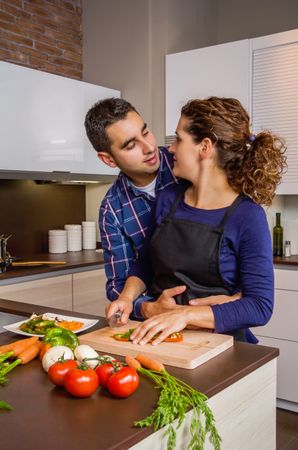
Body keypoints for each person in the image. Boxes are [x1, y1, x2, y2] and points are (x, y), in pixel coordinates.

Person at [106, 96, 287, 344]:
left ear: (204, 148)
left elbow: (259, 306)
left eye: (178, 139)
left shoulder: (248, 216)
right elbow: (145, 264)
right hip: (160, 339)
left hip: (221, 345)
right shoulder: (168, 198)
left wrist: (185, 315)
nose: (169, 149)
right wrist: (127, 298)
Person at [84, 98, 177, 311]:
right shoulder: (113, 209)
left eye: (145, 132)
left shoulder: (184, 166)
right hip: (158, 322)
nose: (149, 148)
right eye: (131, 145)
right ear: (108, 159)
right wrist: (150, 308)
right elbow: (118, 286)